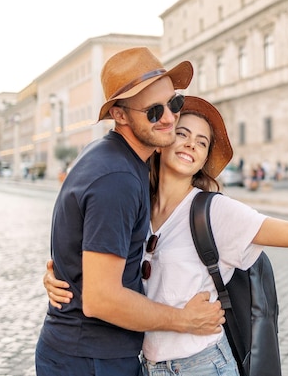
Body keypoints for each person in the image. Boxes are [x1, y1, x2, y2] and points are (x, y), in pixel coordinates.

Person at [44, 96, 288, 375]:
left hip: (202, 365)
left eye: (201, 142)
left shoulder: (215, 212)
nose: (190, 145)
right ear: (162, 142)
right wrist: (61, 276)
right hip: (146, 366)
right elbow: (105, 263)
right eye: (182, 134)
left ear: (204, 159)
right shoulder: (134, 199)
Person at [35, 48, 225, 376]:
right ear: (120, 115)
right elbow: (101, 299)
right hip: (91, 360)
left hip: (85, 354)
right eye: (153, 112)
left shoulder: (111, 155)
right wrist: (185, 320)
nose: (169, 118)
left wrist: (63, 273)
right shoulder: (118, 178)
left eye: (174, 103)